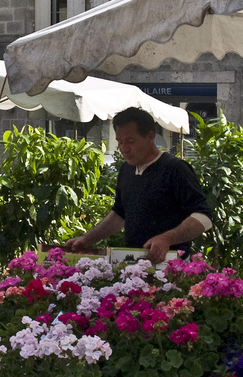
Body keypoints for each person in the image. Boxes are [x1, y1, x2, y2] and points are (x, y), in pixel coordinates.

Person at [62, 107, 213, 263]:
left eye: (130, 141)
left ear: (150, 136)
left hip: (172, 266)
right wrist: (87, 239)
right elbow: (120, 214)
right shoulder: (126, 170)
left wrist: (166, 239)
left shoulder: (176, 169)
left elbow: (203, 217)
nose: (123, 148)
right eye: (119, 142)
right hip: (134, 265)